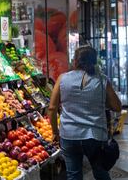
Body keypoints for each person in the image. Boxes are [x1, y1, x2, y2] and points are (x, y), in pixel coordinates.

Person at [48, 45, 122, 180]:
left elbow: (52, 108)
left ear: (75, 60)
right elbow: (117, 106)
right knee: (101, 173)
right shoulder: (102, 80)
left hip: (69, 135)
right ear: (94, 61)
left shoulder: (62, 79)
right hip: (94, 136)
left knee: (73, 174)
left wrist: (55, 132)